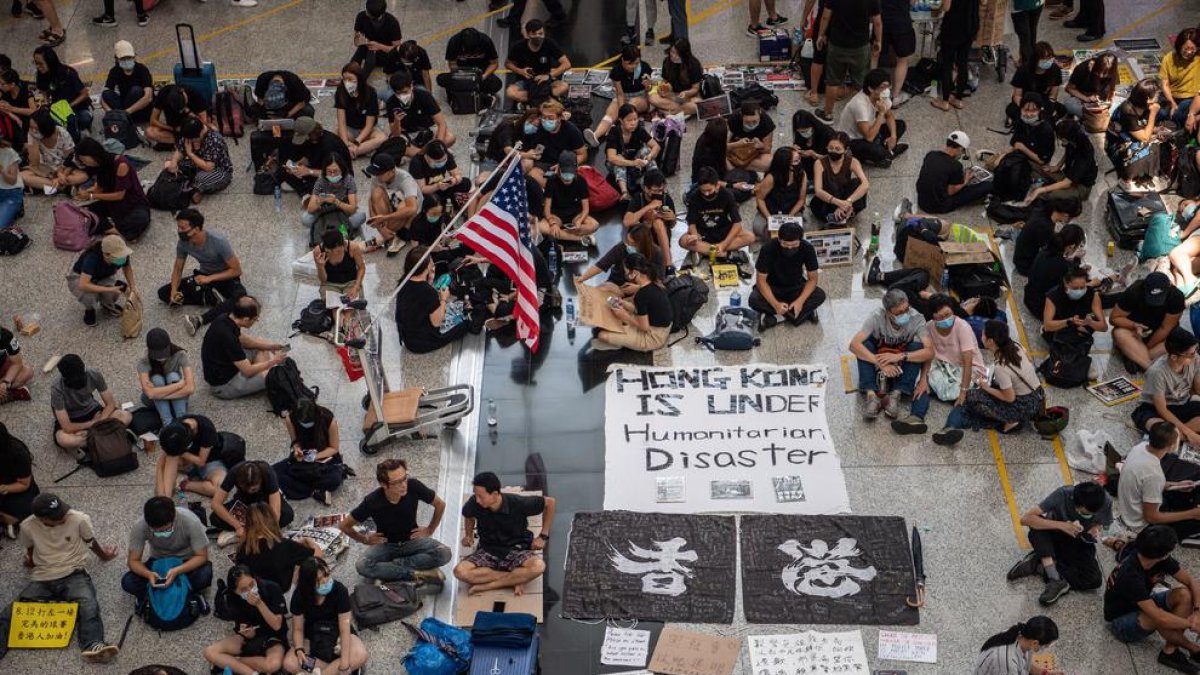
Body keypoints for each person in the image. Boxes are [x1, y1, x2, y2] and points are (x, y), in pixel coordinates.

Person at [0, 494, 119, 663]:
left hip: (74, 573)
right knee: (11, 610)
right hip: (43, 576)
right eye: (56, 517)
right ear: (41, 519)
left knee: (89, 605)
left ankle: (93, 645)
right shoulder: (27, 526)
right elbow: (31, 549)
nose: (62, 517)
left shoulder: (79, 518)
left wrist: (105, 556)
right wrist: (31, 563)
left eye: (61, 512)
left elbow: (91, 542)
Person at [1103, 525, 1200, 673]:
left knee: (1185, 594)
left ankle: (1169, 651)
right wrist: (1192, 624)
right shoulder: (1130, 575)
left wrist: (1197, 612)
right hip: (1121, 621)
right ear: (1163, 554)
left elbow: (1191, 581)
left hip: (1143, 601)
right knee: (1157, 616)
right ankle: (1194, 649)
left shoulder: (1150, 554)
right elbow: (1159, 616)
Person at [340, 458, 452, 585]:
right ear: (384, 484)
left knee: (444, 553)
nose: (403, 484)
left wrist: (430, 529)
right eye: (397, 482)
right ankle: (414, 574)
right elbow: (344, 525)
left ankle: (392, 568)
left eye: (404, 478)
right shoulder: (372, 501)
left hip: (412, 539)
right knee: (362, 565)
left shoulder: (413, 486)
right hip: (387, 544)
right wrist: (364, 539)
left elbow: (440, 504)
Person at [934, 320, 1045, 445]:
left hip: (1023, 406)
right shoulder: (1015, 345)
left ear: (990, 341)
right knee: (983, 393)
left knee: (971, 397)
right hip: (1037, 396)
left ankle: (1011, 420)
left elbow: (1009, 397)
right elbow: (1029, 360)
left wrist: (986, 388)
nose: (981, 336)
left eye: (983, 334)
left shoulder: (1000, 367)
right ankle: (951, 426)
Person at [1007, 482, 1110, 606]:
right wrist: (1063, 526)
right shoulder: (1063, 494)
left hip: (1080, 539)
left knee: (1094, 580)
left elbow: (1102, 523)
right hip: (1055, 534)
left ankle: (1039, 566)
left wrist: (1096, 529)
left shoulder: (1105, 501)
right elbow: (1025, 519)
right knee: (1037, 529)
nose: (1088, 516)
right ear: (1076, 504)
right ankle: (1054, 578)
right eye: (1085, 513)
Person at [454, 471, 555, 596]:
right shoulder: (475, 503)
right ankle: (515, 579)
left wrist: (543, 536)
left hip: (517, 549)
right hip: (487, 549)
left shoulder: (518, 503)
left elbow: (550, 503)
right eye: (476, 495)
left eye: (481, 496)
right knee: (460, 572)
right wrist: (468, 535)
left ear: (495, 494)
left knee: (538, 566)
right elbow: (468, 516)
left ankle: (490, 585)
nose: (478, 500)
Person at [849, 288, 934, 434]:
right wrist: (879, 363)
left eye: (906, 309)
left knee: (917, 347)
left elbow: (930, 351)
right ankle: (871, 396)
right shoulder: (876, 317)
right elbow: (853, 345)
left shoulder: (917, 318)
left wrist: (901, 356)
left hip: (901, 359)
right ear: (888, 312)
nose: (905, 314)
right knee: (864, 345)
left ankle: (896, 394)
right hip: (879, 357)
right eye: (899, 313)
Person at [160, 209, 246, 336]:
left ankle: (200, 320)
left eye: (183, 228)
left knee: (241, 298)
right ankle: (213, 299)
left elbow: (237, 270)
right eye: (178, 227)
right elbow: (178, 268)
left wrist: (210, 278)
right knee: (163, 293)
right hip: (203, 277)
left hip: (225, 277)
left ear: (196, 228)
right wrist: (174, 290)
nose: (179, 231)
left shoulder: (218, 241)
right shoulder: (183, 243)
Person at [282, 558, 368, 675]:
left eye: (327, 574)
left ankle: (322, 672)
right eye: (319, 580)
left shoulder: (339, 590)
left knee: (360, 654)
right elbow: (297, 629)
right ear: (308, 583)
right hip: (313, 635)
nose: (326, 581)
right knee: (290, 663)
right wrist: (299, 649)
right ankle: (339, 670)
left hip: (338, 633)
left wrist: (344, 661)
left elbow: (344, 627)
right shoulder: (300, 596)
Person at [122, 496, 212, 604]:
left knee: (205, 574)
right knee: (128, 581)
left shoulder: (190, 521)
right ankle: (184, 594)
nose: (162, 534)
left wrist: (177, 571)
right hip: (158, 561)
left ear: (174, 517)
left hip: (186, 561)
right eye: (156, 531)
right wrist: (149, 574)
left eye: (166, 529)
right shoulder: (141, 526)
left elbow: (202, 556)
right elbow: (133, 561)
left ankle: (156, 596)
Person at [203, 565, 288, 675]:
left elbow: (277, 625)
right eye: (243, 589)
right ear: (236, 592)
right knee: (210, 652)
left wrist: (259, 603)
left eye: (252, 585)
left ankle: (234, 661)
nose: (250, 591)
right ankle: (251, 673)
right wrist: (245, 630)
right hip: (251, 637)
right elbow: (240, 624)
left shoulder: (271, 588)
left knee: (273, 665)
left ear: (255, 579)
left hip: (273, 636)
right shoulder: (233, 599)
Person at [200, 296, 287, 400]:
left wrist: (270, 346)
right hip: (224, 386)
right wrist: (274, 361)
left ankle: (259, 377)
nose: (256, 321)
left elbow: (244, 340)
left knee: (260, 343)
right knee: (275, 374)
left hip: (230, 367)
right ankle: (262, 378)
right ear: (246, 319)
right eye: (255, 319)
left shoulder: (225, 318)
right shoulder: (228, 337)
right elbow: (248, 370)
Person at [591, 253, 673, 352]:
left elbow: (645, 328)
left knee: (602, 335)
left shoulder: (642, 294)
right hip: (658, 326)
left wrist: (625, 316)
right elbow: (646, 310)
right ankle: (623, 333)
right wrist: (624, 304)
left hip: (653, 337)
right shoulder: (655, 282)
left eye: (626, 272)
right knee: (612, 320)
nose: (625, 275)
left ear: (634, 273)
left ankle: (619, 343)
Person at [73, 137, 151, 242]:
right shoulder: (98, 165)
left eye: (83, 159)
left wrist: (91, 196)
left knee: (140, 219)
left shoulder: (121, 164)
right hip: (112, 204)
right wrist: (86, 193)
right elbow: (100, 188)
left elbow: (119, 195)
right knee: (80, 213)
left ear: (92, 154)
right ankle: (114, 229)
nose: (84, 162)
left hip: (132, 204)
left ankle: (109, 227)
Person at [751, 221, 825, 330]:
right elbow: (761, 281)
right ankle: (800, 314)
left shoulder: (807, 248)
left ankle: (776, 318)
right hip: (773, 287)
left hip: (796, 286)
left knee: (820, 295)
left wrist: (800, 301)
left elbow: (812, 280)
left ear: (800, 240)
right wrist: (776, 304)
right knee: (754, 300)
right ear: (779, 239)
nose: (790, 248)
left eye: (794, 245)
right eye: (785, 245)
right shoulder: (768, 248)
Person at [50, 353, 132, 452]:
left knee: (126, 416)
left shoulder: (93, 374)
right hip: (72, 419)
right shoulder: (57, 389)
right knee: (64, 440)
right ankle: (108, 434)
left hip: (93, 411)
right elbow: (67, 427)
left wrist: (99, 421)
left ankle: (91, 438)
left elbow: (110, 404)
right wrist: (93, 423)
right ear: (64, 377)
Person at [396, 245, 470, 354]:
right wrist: (444, 299)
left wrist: (430, 279)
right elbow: (436, 323)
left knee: (451, 308)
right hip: (422, 342)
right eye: (430, 260)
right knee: (464, 325)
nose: (432, 261)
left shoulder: (404, 282)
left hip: (407, 338)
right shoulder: (428, 291)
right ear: (426, 266)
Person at [815, 0, 880, 123]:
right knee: (861, 83)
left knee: (833, 81)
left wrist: (821, 34)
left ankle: (827, 114)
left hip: (837, 44)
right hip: (860, 46)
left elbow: (825, 17)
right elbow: (877, 22)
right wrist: (878, 40)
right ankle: (861, 117)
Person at [1131, 328, 1200, 444]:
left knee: (1165, 435)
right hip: (1153, 408)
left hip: (1181, 403)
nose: (1196, 355)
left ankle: (1174, 438)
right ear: (1174, 357)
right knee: (1161, 431)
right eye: (1191, 354)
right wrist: (1190, 433)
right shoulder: (1157, 372)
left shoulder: (1195, 360)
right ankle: (1171, 437)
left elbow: (1198, 389)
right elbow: (1162, 409)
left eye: (1196, 350)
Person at [273, 399, 345, 505]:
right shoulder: (291, 419)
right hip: (303, 457)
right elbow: (295, 442)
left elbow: (334, 448)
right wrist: (297, 450)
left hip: (324, 456)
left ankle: (303, 488)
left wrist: (315, 457)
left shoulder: (328, 419)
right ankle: (314, 491)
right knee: (273, 472)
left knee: (334, 479)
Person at [235, 503, 318, 593]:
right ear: (271, 519)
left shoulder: (242, 549)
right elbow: (317, 555)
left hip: (258, 593)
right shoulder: (284, 545)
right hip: (283, 592)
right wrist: (312, 543)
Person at [1112, 273, 1186, 373]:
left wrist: (1143, 348)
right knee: (1119, 333)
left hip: (1159, 337)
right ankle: (1150, 369)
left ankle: (1135, 357)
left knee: (1180, 343)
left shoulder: (1176, 297)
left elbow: (1165, 328)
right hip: (1135, 332)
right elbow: (1114, 318)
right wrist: (1134, 325)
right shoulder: (1134, 292)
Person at [837, 68, 908, 167]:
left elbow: (890, 116)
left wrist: (893, 136)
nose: (886, 90)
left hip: (872, 130)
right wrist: (881, 113)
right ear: (870, 88)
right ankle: (884, 154)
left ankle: (887, 151)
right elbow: (869, 137)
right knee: (876, 150)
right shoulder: (859, 104)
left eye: (888, 86)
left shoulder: (881, 95)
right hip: (854, 140)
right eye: (883, 87)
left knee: (900, 125)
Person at [212, 460, 295, 545]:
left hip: (265, 502)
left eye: (253, 489)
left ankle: (248, 534)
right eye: (245, 488)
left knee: (287, 514)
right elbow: (216, 504)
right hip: (244, 502)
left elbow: (275, 512)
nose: (249, 491)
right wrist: (237, 526)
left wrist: (267, 528)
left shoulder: (267, 472)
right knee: (215, 517)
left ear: (260, 480)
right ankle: (249, 532)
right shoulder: (234, 472)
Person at [681, 167, 755, 258]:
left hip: (723, 231)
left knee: (750, 237)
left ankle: (706, 252)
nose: (706, 194)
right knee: (683, 241)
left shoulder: (727, 195)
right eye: (703, 191)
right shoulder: (694, 197)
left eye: (709, 190)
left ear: (717, 185)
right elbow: (691, 222)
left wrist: (723, 244)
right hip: (703, 233)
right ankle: (722, 253)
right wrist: (695, 235)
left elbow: (737, 224)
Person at [1025, 118, 1097, 211]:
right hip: (1067, 175)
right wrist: (1057, 167)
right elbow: (1067, 153)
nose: (1060, 140)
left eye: (1061, 138)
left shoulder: (1084, 154)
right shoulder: (1074, 140)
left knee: (1050, 194)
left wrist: (1042, 190)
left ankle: (1040, 190)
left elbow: (1067, 183)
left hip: (1080, 187)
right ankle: (1042, 184)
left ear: (1067, 138)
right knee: (1039, 168)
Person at [587, 46, 653, 146]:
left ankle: (623, 133)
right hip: (623, 97)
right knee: (611, 113)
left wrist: (648, 86)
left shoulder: (644, 67)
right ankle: (596, 135)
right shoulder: (616, 71)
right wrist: (621, 109)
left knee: (632, 104)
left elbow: (650, 90)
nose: (634, 67)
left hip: (641, 98)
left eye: (636, 63)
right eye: (630, 64)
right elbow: (620, 94)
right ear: (623, 60)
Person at [925, 294, 986, 401]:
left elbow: (968, 362)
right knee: (920, 374)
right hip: (945, 364)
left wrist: (963, 391)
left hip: (965, 367)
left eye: (948, 315)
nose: (945, 319)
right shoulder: (929, 326)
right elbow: (928, 353)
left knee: (967, 387)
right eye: (940, 317)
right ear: (933, 317)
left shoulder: (962, 327)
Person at [577, 223, 663, 299]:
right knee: (601, 292)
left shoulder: (656, 254)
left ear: (642, 244)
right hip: (617, 285)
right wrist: (583, 278)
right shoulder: (622, 248)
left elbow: (659, 283)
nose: (628, 246)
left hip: (642, 291)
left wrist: (639, 288)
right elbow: (601, 265)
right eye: (628, 241)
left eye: (632, 244)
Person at [156, 414, 233, 499]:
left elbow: (201, 461)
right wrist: (165, 497)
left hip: (209, 461)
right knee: (170, 458)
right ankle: (168, 495)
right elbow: (163, 460)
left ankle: (186, 485)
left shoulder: (207, 428)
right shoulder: (173, 429)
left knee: (220, 489)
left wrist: (180, 451)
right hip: (186, 461)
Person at [916, 131, 992, 214]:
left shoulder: (931, 154)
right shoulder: (956, 165)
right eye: (963, 151)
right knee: (987, 186)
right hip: (938, 206)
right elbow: (950, 191)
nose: (962, 154)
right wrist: (966, 181)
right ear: (960, 148)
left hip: (921, 201)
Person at [1106, 78, 1162, 190]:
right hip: (1119, 145)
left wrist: (1159, 129)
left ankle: (1143, 174)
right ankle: (1126, 177)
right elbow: (1145, 137)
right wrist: (1153, 114)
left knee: (1160, 139)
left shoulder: (1145, 106)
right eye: (1156, 96)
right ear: (1147, 98)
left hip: (1132, 136)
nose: (1158, 98)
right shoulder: (1128, 110)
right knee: (1147, 145)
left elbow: (1143, 125)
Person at [165, 115, 233, 203]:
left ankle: (193, 189)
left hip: (218, 170)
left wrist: (190, 154)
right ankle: (187, 186)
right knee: (169, 164)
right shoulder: (189, 133)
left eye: (193, 140)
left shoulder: (214, 139)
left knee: (201, 178)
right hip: (196, 164)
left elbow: (209, 167)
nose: (191, 141)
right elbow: (180, 150)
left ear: (201, 133)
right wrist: (174, 163)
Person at [1022, 223, 1086, 317]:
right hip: (1042, 310)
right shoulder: (1062, 265)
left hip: (1029, 298)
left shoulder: (1044, 251)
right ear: (1072, 246)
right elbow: (1068, 289)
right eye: (1078, 246)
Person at [279, 117, 351, 199]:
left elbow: (336, 174)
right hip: (322, 167)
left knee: (317, 185)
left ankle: (304, 191)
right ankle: (305, 189)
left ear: (312, 133)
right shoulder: (312, 140)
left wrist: (309, 171)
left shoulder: (330, 146)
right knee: (283, 170)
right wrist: (298, 164)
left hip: (339, 175)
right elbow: (313, 156)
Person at [385, 71, 455, 155]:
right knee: (398, 145)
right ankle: (430, 153)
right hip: (407, 134)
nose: (402, 96)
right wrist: (397, 121)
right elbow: (395, 135)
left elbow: (441, 123)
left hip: (427, 131)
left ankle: (425, 153)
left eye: (405, 92)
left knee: (450, 138)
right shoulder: (391, 103)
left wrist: (438, 144)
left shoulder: (424, 96)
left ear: (411, 86)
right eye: (398, 93)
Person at [364, 152, 420, 256]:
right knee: (376, 193)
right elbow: (371, 201)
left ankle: (392, 235)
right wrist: (380, 228)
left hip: (411, 216)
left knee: (404, 206)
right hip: (392, 210)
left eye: (380, 173)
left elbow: (412, 208)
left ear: (392, 171)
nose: (377, 176)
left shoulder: (405, 180)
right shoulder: (377, 178)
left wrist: (384, 218)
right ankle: (388, 234)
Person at [504, 20, 571, 104]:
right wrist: (521, 71)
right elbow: (508, 64)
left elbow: (566, 64)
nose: (538, 36)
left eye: (540, 34)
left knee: (564, 86)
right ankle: (544, 100)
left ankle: (532, 101)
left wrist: (548, 76)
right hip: (525, 81)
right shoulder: (518, 46)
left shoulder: (549, 43)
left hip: (545, 80)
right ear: (528, 34)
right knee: (510, 92)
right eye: (534, 34)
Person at [137, 328, 194, 426]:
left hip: (174, 398)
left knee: (172, 376)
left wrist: (160, 395)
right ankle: (167, 422)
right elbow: (150, 394)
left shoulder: (180, 354)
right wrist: (179, 385)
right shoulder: (144, 360)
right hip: (170, 394)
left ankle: (181, 419)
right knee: (157, 379)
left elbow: (190, 388)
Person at [540, 151, 598, 246]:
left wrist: (579, 221)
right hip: (556, 215)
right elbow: (547, 209)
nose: (567, 178)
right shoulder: (551, 181)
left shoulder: (581, 181)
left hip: (575, 215)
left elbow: (586, 208)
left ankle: (562, 235)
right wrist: (552, 223)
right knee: (541, 227)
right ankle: (579, 238)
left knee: (594, 225)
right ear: (559, 169)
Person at [18, 111, 85, 194]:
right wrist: (33, 142)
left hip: (64, 169)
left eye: (36, 128)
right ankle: (63, 187)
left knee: (82, 175)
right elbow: (34, 164)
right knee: (22, 176)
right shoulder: (32, 134)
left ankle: (44, 187)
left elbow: (71, 159)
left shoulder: (62, 133)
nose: (33, 130)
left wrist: (61, 175)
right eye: (31, 128)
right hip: (45, 169)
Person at [603, 103, 660, 200]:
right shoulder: (614, 132)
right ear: (621, 120)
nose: (633, 123)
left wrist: (650, 156)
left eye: (635, 119)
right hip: (621, 163)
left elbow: (656, 146)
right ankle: (624, 192)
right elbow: (611, 158)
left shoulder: (639, 130)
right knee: (619, 160)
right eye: (629, 120)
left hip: (635, 162)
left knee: (646, 150)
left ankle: (655, 183)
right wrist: (633, 163)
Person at [931, 0, 980, 112]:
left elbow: (946, 7)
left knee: (947, 64)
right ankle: (958, 99)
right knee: (963, 63)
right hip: (971, 24)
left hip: (954, 25)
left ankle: (945, 101)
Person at [809, 132, 868, 224]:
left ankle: (844, 213)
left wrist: (848, 202)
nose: (833, 151)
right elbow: (818, 191)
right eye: (830, 148)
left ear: (845, 150)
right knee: (832, 186)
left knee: (857, 182)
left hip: (844, 196)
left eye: (837, 149)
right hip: (827, 200)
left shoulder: (853, 161)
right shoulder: (819, 163)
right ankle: (842, 214)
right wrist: (839, 203)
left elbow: (865, 184)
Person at [33, 46, 91, 139]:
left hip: (77, 107)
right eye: (36, 63)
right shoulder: (41, 75)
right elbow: (43, 90)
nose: (38, 67)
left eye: (40, 64)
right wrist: (47, 103)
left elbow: (84, 94)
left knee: (85, 118)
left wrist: (68, 106)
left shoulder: (68, 73)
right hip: (58, 109)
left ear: (50, 62)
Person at [623, 170, 677, 269]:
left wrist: (673, 218)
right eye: (655, 191)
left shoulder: (666, 199)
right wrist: (648, 207)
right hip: (642, 237)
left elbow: (672, 225)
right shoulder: (638, 199)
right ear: (646, 189)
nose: (659, 193)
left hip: (660, 238)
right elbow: (627, 222)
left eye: (661, 190)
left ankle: (668, 265)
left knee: (658, 222)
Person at [301, 153, 367, 234]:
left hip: (343, 215)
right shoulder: (321, 180)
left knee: (360, 217)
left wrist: (336, 202)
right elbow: (310, 209)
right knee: (306, 218)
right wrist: (321, 201)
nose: (332, 175)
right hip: (326, 215)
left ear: (341, 170)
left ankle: (329, 230)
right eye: (329, 172)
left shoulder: (348, 180)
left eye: (335, 171)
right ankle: (338, 229)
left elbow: (353, 209)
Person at [973, 616, 1062, 675]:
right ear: (1035, 643)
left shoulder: (1023, 635)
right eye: (1046, 646)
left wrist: (1046, 673)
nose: (1045, 649)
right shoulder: (1008, 662)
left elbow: (1026, 665)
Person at [1012, 198, 1079, 276]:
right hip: (1026, 266)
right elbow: (1048, 252)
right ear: (1066, 215)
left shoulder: (1044, 211)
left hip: (1021, 258)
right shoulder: (1045, 227)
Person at [1040, 265, 1107, 342]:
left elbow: (1104, 327)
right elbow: (1048, 326)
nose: (1079, 291)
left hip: (1082, 322)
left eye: (1082, 287)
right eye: (1075, 288)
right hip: (1061, 325)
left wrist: (1090, 323)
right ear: (1066, 283)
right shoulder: (1053, 296)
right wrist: (1069, 321)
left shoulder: (1092, 294)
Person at [530, 99, 588, 187]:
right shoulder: (538, 128)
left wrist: (565, 164)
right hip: (544, 163)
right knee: (532, 175)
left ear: (560, 118)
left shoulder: (572, 130)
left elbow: (583, 155)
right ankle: (552, 191)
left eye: (550, 118)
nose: (546, 120)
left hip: (565, 163)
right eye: (544, 117)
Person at [334, 62, 385, 161]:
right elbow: (341, 122)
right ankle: (361, 149)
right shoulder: (340, 91)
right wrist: (345, 142)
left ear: (359, 80)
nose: (347, 83)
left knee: (382, 138)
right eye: (344, 79)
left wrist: (357, 141)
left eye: (350, 80)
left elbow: (369, 125)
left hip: (367, 130)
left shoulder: (370, 93)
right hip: (350, 129)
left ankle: (352, 152)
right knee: (337, 133)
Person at [753, 147, 808, 237]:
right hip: (771, 211)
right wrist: (769, 218)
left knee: (803, 228)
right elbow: (760, 199)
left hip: (791, 210)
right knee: (758, 226)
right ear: (785, 164)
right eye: (795, 161)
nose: (798, 163)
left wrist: (790, 217)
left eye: (799, 160)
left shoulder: (802, 174)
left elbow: (801, 200)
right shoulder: (771, 177)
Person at [1007, 42, 1065, 126]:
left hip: (1043, 101)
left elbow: (1053, 95)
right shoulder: (1023, 70)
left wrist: (1045, 108)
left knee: (1061, 110)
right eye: (1044, 58)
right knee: (1011, 110)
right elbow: (1017, 95)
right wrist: (1026, 109)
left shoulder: (1055, 70)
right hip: (1024, 101)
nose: (1048, 61)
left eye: (1049, 57)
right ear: (1035, 59)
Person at [439, 26, 503, 100]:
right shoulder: (454, 42)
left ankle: (478, 93)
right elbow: (452, 63)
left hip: (481, 72)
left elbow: (494, 63)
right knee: (441, 79)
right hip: (462, 71)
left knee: (496, 84)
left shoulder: (486, 41)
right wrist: (461, 76)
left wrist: (484, 76)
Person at [100, 41, 152, 123]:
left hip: (139, 108)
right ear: (117, 59)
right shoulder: (115, 71)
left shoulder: (142, 69)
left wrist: (127, 112)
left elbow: (148, 98)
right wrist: (110, 112)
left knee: (136, 90)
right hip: (124, 104)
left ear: (134, 57)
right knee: (106, 94)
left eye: (129, 58)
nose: (126, 60)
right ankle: (121, 117)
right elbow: (104, 95)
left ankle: (123, 118)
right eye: (123, 59)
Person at [350, 0, 404, 80]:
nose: (366, 13)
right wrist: (359, 40)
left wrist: (379, 46)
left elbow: (397, 49)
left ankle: (361, 80)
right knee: (359, 53)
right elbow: (356, 41)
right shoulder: (361, 17)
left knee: (370, 59)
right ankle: (351, 72)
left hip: (384, 53)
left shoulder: (392, 23)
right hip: (367, 46)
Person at [0, 423, 37, 536]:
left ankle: (8, 519)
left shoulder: (18, 453)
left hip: (12, 487)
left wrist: (4, 488)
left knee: (30, 507)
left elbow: (24, 484)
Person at [650, 38, 703, 117]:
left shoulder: (693, 64)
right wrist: (665, 88)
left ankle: (672, 111)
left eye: (677, 54)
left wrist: (686, 93)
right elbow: (665, 81)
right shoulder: (667, 61)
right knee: (652, 98)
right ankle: (682, 111)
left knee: (697, 104)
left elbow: (695, 88)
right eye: (672, 52)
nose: (673, 56)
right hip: (672, 96)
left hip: (688, 97)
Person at [144, 83, 209, 147]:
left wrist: (188, 111)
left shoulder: (194, 94)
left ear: (183, 92)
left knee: (207, 130)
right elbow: (153, 120)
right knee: (149, 131)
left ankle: (182, 144)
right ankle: (187, 144)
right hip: (176, 129)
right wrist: (174, 128)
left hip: (193, 129)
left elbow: (204, 123)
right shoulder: (164, 93)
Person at [410, 140, 470, 206]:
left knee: (466, 182)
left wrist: (454, 180)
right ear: (427, 156)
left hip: (443, 187)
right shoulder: (416, 163)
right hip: (428, 192)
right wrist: (437, 186)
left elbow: (457, 175)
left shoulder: (446, 155)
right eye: (438, 162)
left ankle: (446, 203)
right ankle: (447, 203)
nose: (441, 163)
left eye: (444, 160)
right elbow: (422, 189)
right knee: (430, 200)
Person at [1161, 29, 1200, 128]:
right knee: (1158, 111)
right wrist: (1172, 103)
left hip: (1193, 98)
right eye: (1186, 48)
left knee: (1179, 112)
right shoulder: (1168, 59)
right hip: (1172, 97)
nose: (1189, 52)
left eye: (1193, 49)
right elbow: (1165, 84)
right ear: (1179, 46)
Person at [314, 229, 365, 300]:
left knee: (349, 308)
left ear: (344, 245)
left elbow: (361, 267)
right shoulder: (318, 251)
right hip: (330, 284)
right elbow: (323, 280)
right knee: (335, 308)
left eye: (339, 251)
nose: (336, 254)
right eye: (331, 252)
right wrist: (321, 267)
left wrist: (356, 287)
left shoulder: (353, 247)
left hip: (351, 282)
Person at [1063, 52, 1116, 119]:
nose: (1101, 76)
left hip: (1100, 100)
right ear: (1093, 65)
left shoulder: (1111, 71)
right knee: (1069, 104)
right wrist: (1086, 98)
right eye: (1098, 73)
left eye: (1105, 74)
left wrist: (1109, 101)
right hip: (1082, 97)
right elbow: (1069, 88)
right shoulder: (1082, 69)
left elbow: (1112, 89)